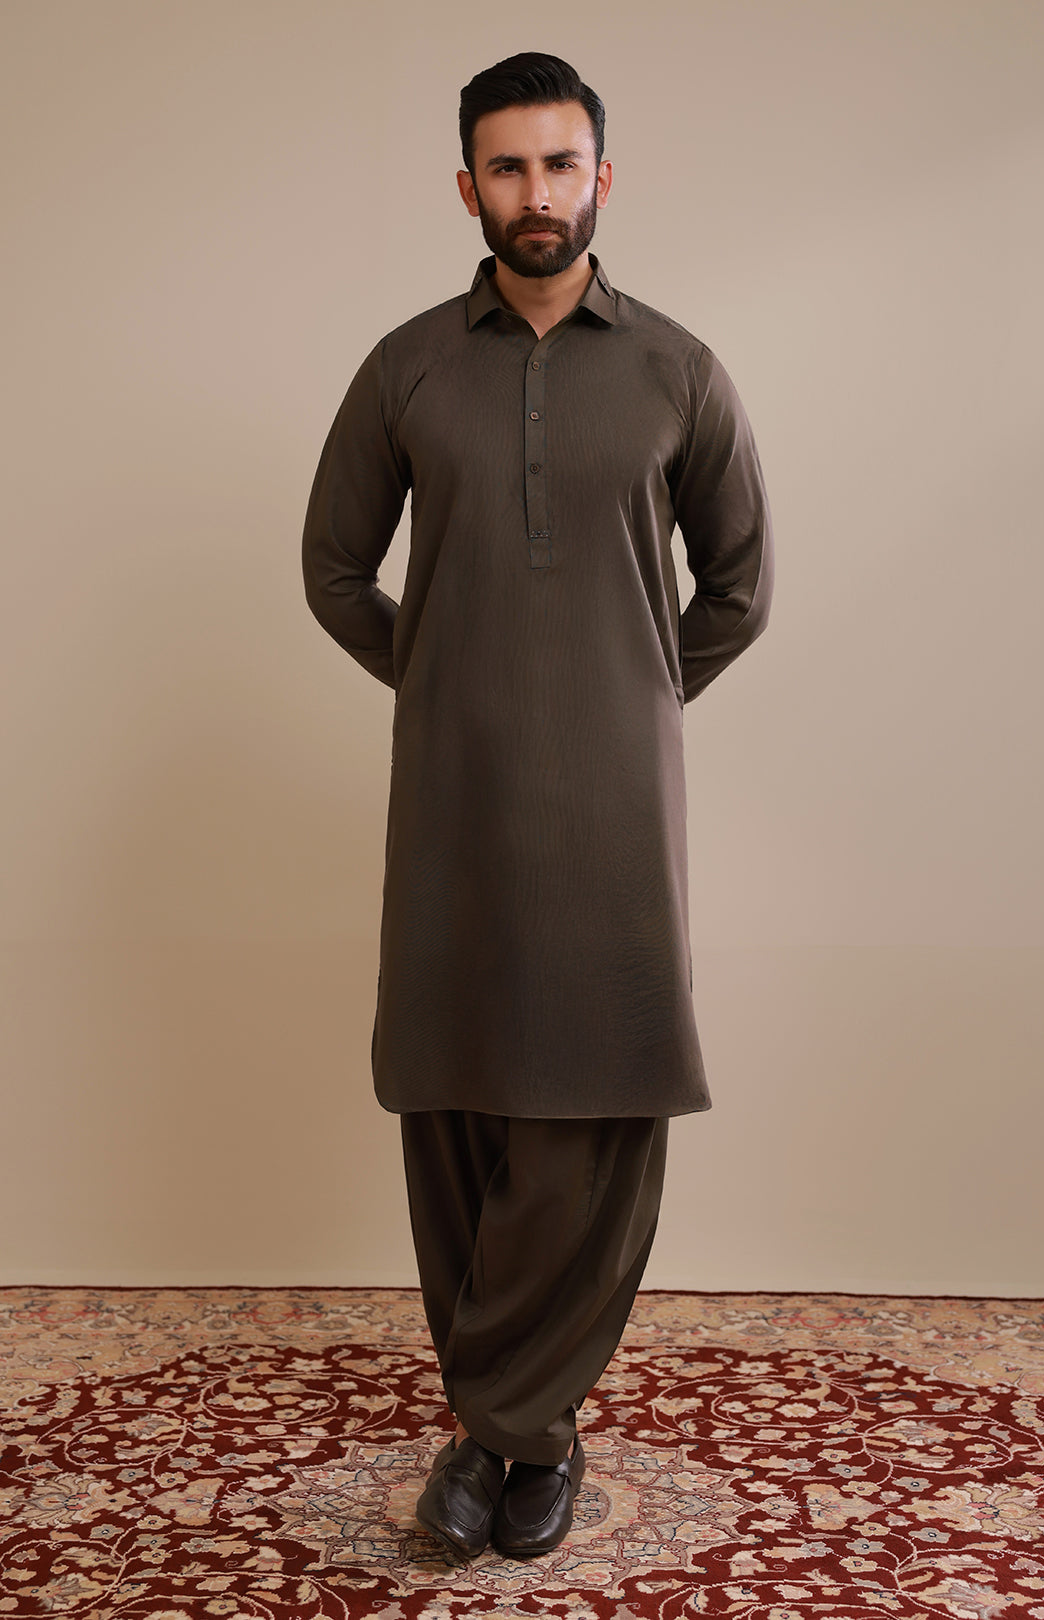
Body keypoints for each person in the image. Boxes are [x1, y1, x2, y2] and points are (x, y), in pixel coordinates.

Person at [301, 50, 774, 1561]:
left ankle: (511, 1430)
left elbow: (740, 585)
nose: (537, 192)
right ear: (468, 188)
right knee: (455, 1099)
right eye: (506, 166)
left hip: (618, 808)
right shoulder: (406, 368)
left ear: (603, 179)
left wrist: (633, 692)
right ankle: (518, 1427)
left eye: (561, 163)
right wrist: (445, 678)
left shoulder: (679, 371)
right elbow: (333, 570)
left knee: (600, 1097)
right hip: (452, 794)